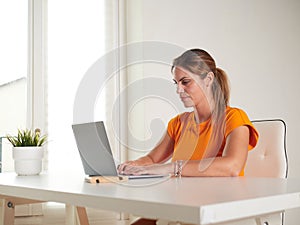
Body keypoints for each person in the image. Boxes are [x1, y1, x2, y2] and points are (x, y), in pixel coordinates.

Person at [118, 49, 259, 225]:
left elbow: (232, 166)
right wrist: (132, 166)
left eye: (185, 82)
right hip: (180, 208)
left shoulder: (233, 117)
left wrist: (171, 168)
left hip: (215, 211)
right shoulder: (178, 123)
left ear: (208, 79)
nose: (179, 89)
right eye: (176, 83)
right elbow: (152, 158)